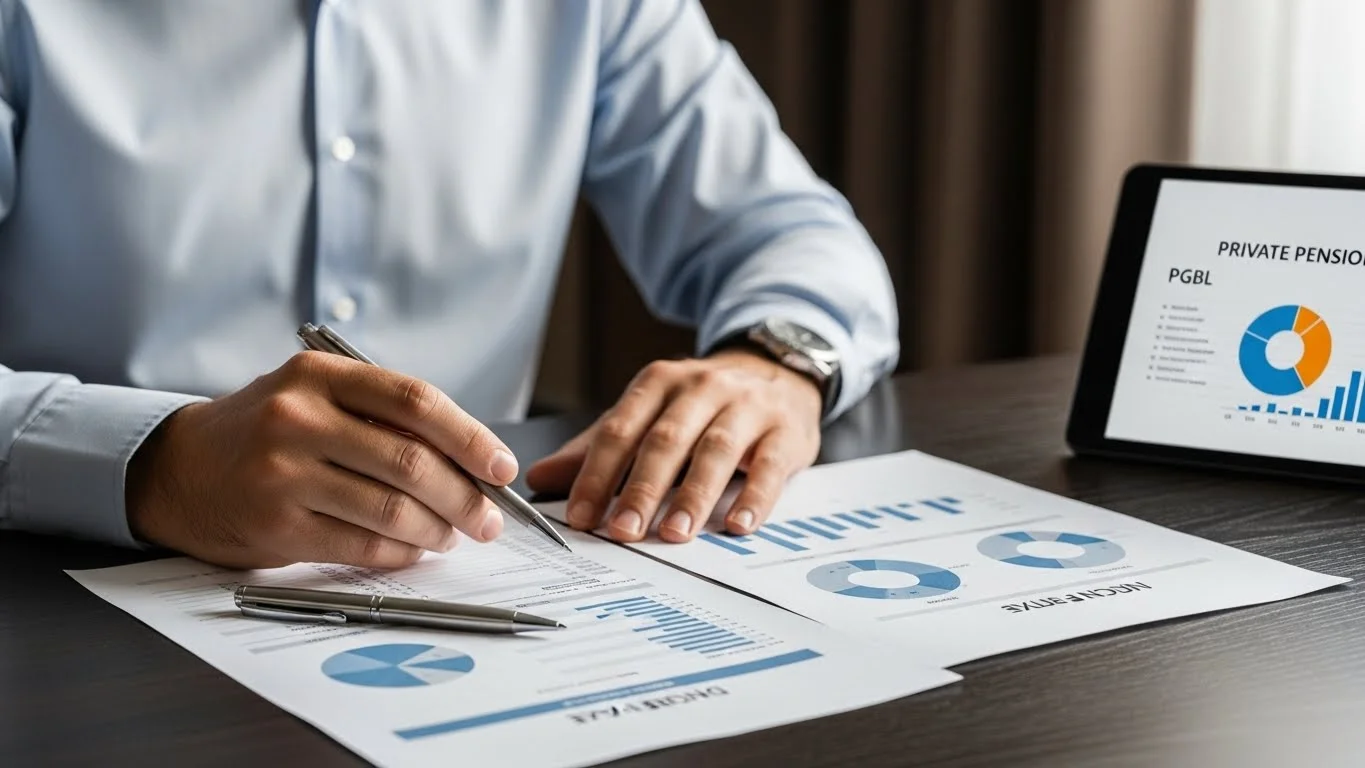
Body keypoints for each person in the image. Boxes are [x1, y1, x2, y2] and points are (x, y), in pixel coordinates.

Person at [0, 1, 897, 569]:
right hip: (72, 595)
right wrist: (156, 463)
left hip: (464, 569)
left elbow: (787, 227)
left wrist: (775, 359)